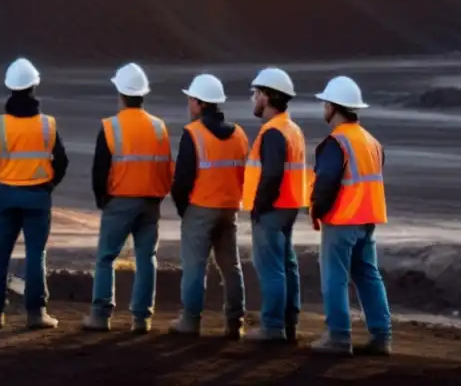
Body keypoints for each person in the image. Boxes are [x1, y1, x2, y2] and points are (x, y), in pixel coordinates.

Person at [82, 63, 173, 334]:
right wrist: (158, 195)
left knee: (106, 257)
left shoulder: (110, 127)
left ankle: (100, 315)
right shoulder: (159, 127)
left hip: (119, 201)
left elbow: (99, 169)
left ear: (120, 93)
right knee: (147, 258)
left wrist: (103, 199)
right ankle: (141, 319)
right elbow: (168, 167)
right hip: (150, 202)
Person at [309, 76, 391, 357]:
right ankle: (381, 335)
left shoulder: (336, 143)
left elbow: (327, 182)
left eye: (325, 104)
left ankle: (338, 337)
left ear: (333, 106)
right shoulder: (372, 141)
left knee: (335, 277)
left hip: (342, 220)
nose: (323, 108)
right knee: (369, 275)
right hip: (367, 220)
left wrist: (316, 210)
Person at [0, 57, 69, 330]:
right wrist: (48, 185)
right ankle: (36, 313)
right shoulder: (48, 125)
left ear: (10, 88)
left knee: (1, 253)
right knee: (36, 254)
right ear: (34, 86)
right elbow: (62, 161)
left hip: (7, 195)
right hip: (37, 196)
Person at [169, 73, 249, 340]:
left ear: (201, 103)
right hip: (229, 208)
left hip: (200, 208)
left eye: (191, 99)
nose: (189, 104)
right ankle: (235, 323)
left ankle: (190, 321)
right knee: (231, 267)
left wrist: (186, 210)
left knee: (195, 266)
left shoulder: (193, 134)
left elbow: (181, 180)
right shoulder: (239, 134)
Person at [241, 67, 307, 344]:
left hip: (272, 208)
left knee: (271, 267)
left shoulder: (273, 132)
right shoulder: (292, 129)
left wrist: (258, 207)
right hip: (289, 206)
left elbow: (271, 174)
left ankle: (272, 327)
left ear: (267, 97)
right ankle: (289, 322)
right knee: (286, 264)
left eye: (256, 94)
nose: (253, 99)